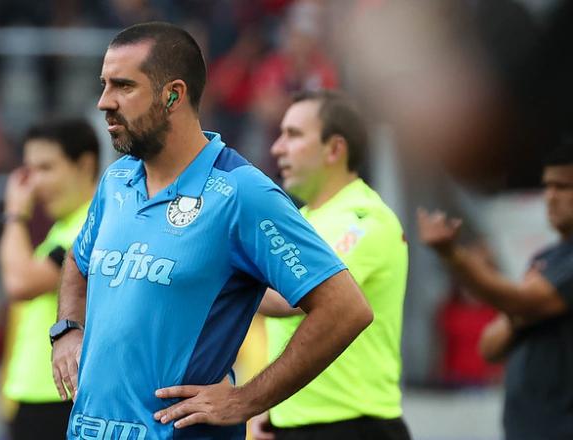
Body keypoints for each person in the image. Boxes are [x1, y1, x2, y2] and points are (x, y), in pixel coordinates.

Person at [50, 22, 373, 440]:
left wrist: (248, 399)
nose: (103, 102)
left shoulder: (241, 191)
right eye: (104, 84)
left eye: (123, 86)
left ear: (173, 95)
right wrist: (66, 331)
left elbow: (345, 308)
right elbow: (79, 259)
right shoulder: (116, 182)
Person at [249, 90, 410, 440]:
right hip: (294, 424)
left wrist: (215, 274)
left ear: (334, 149)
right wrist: (275, 416)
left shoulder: (364, 218)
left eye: (293, 135)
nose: (277, 148)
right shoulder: (302, 220)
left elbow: (289, 299)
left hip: (353, 425)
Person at [418, 143, 573, 440]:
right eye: (548, 186)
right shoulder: (544, 259)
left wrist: (454, 256)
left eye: (563, 187)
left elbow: (521, 302)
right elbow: (490, 346)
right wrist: (522, 314)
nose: (551, 197)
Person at [0, 118, 99, 440]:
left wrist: (15, 213)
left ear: (85, 164)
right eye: (29, 170)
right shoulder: (63, 227)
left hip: (58, 400)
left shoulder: (87, 225)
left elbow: (20, 282)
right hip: (40, 396)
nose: (34, 184)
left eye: (46, 168)